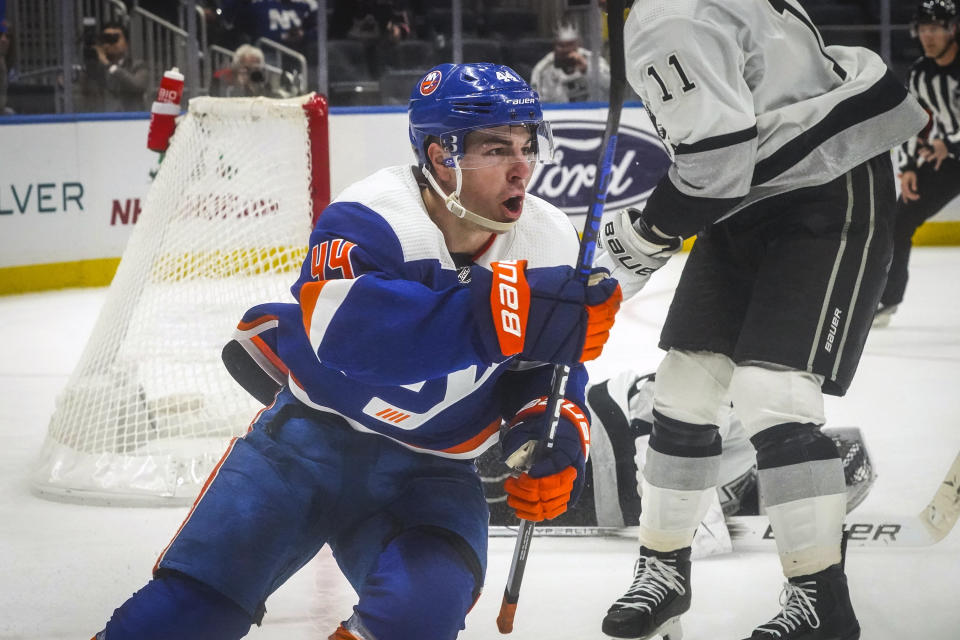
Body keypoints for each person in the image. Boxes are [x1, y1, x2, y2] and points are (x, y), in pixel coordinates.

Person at [91, 62, 622, 640]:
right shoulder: (371, 215)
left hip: (432, 471)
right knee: (191, 610)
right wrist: (504, 315)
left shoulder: (548, 240)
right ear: (441, 155)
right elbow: (356, 341)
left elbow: (541, 374)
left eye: (526, 145)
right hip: (306, 445)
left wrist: (548, 439)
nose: (522, 167)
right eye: (497, 149)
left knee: (422, 611)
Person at [592, 1, 927, 639]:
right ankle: (664, 567)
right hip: (753, 191)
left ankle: (819, 599)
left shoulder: (665, 17)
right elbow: (725, 153)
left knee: (774, 392)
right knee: (684, 389)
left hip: (822, 189)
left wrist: (642, 238)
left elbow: (714, 164)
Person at [875, 0, 960, 328]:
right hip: (950, 160)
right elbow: (913, 120)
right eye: (924, 28)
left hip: (948, 150)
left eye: (936, 27)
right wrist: (908, 168)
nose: (929, 35)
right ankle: (889, 298)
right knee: (900, 220)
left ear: (952, 29)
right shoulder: (922, 73)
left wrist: (949, 141)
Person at [530, 22, 611, 103]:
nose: (566, 50)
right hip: (558, 114)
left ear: (578, 44)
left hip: (594, 113)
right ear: (554, 45)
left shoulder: (594, 61)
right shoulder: (542, 69)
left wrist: (587, 69)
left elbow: (611, 87)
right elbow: (535, 101)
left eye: (570, 44)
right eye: (561, 45)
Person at [78, 20, 148, 112]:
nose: (111, 43)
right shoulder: (95, 68)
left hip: (131, 119)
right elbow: (84, 92)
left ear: (127, 44)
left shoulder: (138, 65)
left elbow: (138, 86)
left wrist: (109, 65)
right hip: (102, 119)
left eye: (115, 38)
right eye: (106, 39)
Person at [211, 44, 284, 98]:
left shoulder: (263, 81)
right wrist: (239, 85)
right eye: (248, 68)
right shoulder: (222, 77)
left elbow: (270, 99)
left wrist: (254, 88)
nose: (252, 72)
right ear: (238, 65)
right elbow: (216, 96)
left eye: (256, 68)